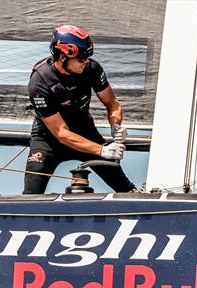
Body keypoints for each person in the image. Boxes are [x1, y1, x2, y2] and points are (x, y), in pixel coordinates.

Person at [23, 25, 137, 194]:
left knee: (126, 188)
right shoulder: (40, 82)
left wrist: (116, 126)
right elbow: (61, 133)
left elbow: (112, 104)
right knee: (30, 196)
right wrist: (102, 150)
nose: (86, 62)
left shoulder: (91, 68)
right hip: (48, 138)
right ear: (62, 57)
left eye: (88, 57)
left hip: (84, 131)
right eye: (81, 58)